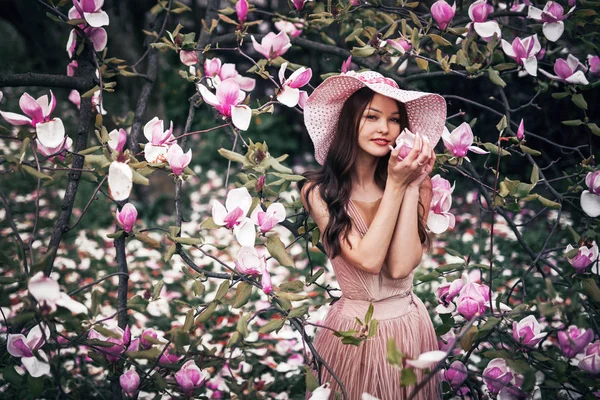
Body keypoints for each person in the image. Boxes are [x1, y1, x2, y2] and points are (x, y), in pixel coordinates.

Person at [300, 70, 447, 399]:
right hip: (355, 330)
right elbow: (367, 259)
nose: (385, 129)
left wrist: (409, 185)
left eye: (394, 120)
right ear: (348, 122)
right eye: (372, 117)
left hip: (409, 326)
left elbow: (399, 267)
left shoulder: (417, 184)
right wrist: (396, 185)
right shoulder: (319, 192)